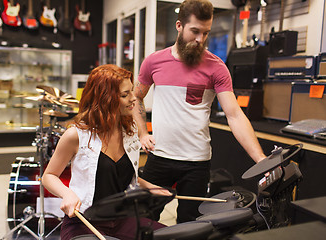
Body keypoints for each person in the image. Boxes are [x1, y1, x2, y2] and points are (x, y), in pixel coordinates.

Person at [133, 0, 266, 224]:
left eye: (206, 33)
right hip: (160, 157)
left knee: (190, 225)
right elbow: (137, 96)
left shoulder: (216, 67)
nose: (200, 39)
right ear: (179, 26)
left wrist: (261, 160)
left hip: (196, 162)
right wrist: (142, 134)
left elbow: (234, 115)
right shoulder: (154, 62)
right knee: (144, 220)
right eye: (194, 31)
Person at [42, 64, 169, 240]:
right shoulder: (76, 135)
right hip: (83, 222)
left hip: (121, 218)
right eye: (125, 95)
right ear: (105, 98)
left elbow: (118, 173)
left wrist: (151, 187)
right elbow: (48, 176)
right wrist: (67, 194)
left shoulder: (130, 129)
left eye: (131, 91)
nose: (134, 98)